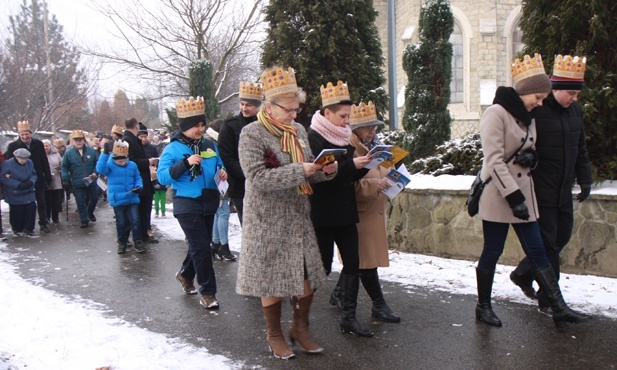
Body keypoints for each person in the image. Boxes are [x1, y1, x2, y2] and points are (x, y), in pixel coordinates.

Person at [474, 53, 591, 330]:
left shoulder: (528, 116)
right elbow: (494, 160)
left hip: (524, 195)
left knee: (539, 250)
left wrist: (533, 159)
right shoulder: (495, 113)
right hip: (500, 196)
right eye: (538, 97)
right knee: (492, 250)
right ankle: (483, 306)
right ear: (526, 91)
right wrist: (514, 198)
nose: (540, 103)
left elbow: (531, 150)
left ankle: (558, 307)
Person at [236, 66, 337, 360]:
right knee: (271, 280)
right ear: (269, 106)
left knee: (305, 276)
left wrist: (324, 171)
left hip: (298, 216)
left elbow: (307, 172)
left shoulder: (299, 132)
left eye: (297, 108)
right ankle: (275, 334)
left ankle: (300, 329)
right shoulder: (251, 134)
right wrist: (300, 170)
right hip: (267, 220)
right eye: (289, 109)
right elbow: (257, 177)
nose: (295, 114)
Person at [509, 55, 593, 308]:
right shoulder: (538, 110)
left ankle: (522, 274)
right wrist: (529, 156)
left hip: (563, 188)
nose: (574, 99)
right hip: (540, 188)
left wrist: (585, 178)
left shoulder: (575, 110)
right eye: (570, 93)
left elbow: (580, 147)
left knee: (562, 237)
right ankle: (550, 297)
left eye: (576, 95)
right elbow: (521, 143)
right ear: (555, 89)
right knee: (550, 243)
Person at [307, 81, 373, 337]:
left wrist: (366, 164)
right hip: (322, 212)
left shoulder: (344, 137)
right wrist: (352, 165)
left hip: (345, 211)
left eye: (349, 116)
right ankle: (300, 312)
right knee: (322, 267)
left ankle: (349, 317)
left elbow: (348, 176)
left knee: (353, 263)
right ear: (327, 114)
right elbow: (320, 175)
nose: (347, 122)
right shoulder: (313, 137)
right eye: (343, 116)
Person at [157, 96, 227, 310]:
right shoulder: (173, 149)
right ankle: (208, 293)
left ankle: (185, 274)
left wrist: (222, 172)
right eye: (196, 125)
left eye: (202, 124)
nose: (201, 129)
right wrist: (185, 163)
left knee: (201, 245)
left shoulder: (208, 144)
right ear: (186, 127)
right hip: (186, 202)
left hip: (208, 199)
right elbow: (163, 177)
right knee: (201, 247)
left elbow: (219, 164)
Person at [344, 101, 401, 323]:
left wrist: (397, 181)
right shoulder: (349, 149)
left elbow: (391, 170)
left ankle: (339, 294)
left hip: (375, 212)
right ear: (354, 129)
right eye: (368, 127)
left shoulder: (380, 146)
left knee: (360, 261)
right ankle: (379, 305)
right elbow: (344, 183)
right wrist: (373, 186)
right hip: (360, 214)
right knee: (366, 262)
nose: (372, 131)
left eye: (374, 127)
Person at [218, 81, 262, 225]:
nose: (244, 108)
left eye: (248, 105)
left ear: (258, 106)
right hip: (240, 185)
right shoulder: (230, 125)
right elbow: (226, 156)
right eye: (242, 104)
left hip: (263, 184)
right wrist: (249, 174)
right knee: (248, 226)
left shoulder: (265, 125)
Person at [96, 140, 145, 254]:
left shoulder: (132, 165)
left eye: (123, 159)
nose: (122, 162)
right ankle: (122, 242)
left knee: (135, 220)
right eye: (119, 160)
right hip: (118, 198)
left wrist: (139, 186)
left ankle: (138, 241)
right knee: (121, 222)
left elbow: (138, 178)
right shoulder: (109, 165)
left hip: (132, 197)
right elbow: (100, 169)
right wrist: (104, 153)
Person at [5, 121, 52, 234]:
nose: (25, 136)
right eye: (22, 134)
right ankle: (25, 226)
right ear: (19, 135)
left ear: (30, 133)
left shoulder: (38, 144)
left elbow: (44, 160)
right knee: (25, 203)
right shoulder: (13, 146)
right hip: (23, 178)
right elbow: (9, 162)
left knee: (41, 201)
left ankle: (43, 223)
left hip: (38, 177)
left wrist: (48, 175)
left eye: (27, 134)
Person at [204, 118, 236, 261]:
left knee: (218, 214)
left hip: (212, 186)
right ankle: (223, 246)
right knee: (223, 214)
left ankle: (216, 244)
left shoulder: (207, 141)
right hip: (218, 185)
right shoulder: (215, 143)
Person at [123, 119, 158, 244]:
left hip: (144, 180)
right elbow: (129, 161)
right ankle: (133, 237)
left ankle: (144, 234)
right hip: (137, 182)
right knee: (136, 212)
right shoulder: (127, 141)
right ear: (136, 126)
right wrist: (147, 162)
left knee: (144, 210)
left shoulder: (133, 140)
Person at [61, 130, 99, 228]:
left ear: (84, 140)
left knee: (94, 198)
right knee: (80, 201)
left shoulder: (91, 151)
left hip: (91, 180)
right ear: (73, 141)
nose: (78, 142)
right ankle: (84, 219)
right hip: (77, 181)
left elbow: (97, 163)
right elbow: (64, 167)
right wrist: (65, 178)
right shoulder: (68, 153)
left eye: (80, 140)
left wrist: (95, 172)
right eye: (76, 140)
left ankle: (89, 212)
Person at [1, 148, 37, 237]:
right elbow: (3, 178)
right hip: (15, 191)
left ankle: (29, 228)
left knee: (31, 209)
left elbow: (34, 174)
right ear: (16, 157)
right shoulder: (8, 164)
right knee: (17, 212)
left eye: (25, 159)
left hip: (28, 189)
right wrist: (17, 184)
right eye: (20, 158)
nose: (22, 160)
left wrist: (31, 182)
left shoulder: (30, 162)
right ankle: (17, 228)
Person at [42, 140, 63, 224]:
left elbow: (62, 164)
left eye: (47, 146)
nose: (45, 148)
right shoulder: (40, 155)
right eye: (44, 146)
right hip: (46, 181)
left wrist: (60, 168)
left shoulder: (56, 154)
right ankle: (47, 216)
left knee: (56, 201)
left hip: (56, 180)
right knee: (47, 200)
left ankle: (55, 217)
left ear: (50, 146)